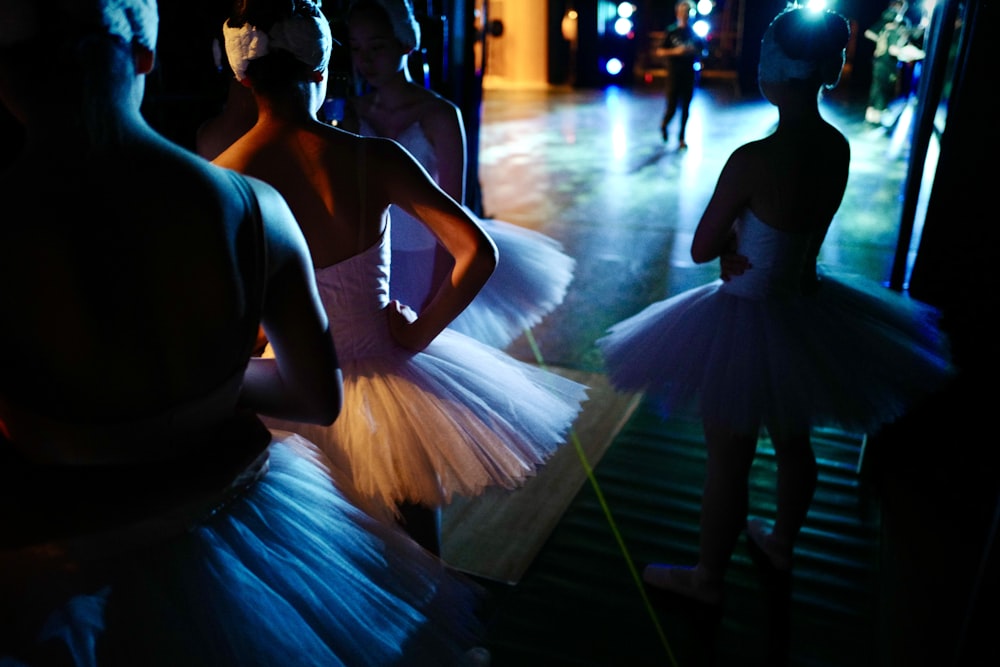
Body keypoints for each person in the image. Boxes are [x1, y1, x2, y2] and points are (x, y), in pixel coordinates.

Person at [0, 0, 487, 664]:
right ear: (143, 56)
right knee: (393, 569)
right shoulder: (246, 204)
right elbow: (317, 392)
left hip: (47, 545)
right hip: (225, 498)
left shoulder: (232, 171)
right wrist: (218, 385)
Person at [596, 5, 954, 606]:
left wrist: (736, 240)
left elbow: (703, 244)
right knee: (795, 442)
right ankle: (784, 541)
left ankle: (708, 579)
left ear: (774, 71)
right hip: (804, 306)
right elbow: (801, 231)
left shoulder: (752, 160)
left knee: (728, 461)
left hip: (744, 312)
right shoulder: (836, 146)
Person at [212, 0, 587, 556]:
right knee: (415, 550)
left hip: (288, 387)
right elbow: (476, 252)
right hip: (388, 380)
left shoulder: (224, 178)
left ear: (241, 74)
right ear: (322, 67)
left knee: (319, 559)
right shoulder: (373, 158)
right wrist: (415, 334)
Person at [341, 0, 576, 350]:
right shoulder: (351, 113)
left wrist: (437, 295)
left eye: (376, 47)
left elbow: (453, 207)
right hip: (370, 257)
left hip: (426, 255)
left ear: (405, 43)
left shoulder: (440, 115)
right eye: (357, 48)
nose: (365, 60)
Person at [656, 0, 706, 149]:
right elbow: (660, 51)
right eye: (684, 12)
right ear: (678, 13)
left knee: (686, 107)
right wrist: (676, 52)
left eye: (689, 13)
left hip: (689, 75)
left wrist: (694, 52)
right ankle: (664, 124)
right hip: (674, 75)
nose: (686, 16)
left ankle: (682, 138)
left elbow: (704, 51)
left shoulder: (694, 34)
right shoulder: (671, 32)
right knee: (671, 107)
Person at [864, 0, 915, 125]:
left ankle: (875, 117)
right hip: (883, 61)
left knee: (882, 88)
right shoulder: (886, 21)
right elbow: (869, 33)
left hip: (889, 62)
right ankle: (873, 118)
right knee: (879, 89)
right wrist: (881, 41)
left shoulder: (900, 24)